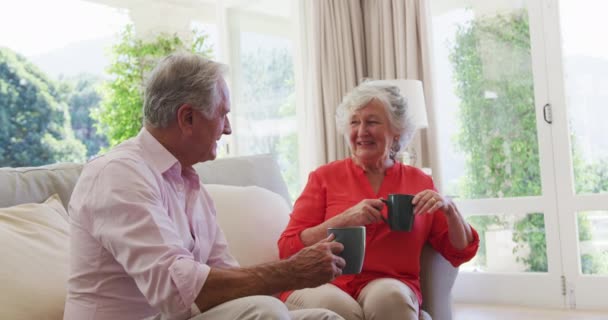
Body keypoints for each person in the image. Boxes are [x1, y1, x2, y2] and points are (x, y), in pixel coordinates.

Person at [64, 52, 346, 320]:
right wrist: (292, 271)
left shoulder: (190, 184)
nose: (228, 129)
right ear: (187, 118)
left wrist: (299, 273)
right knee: (264, 313)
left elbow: (229, 283)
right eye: (223, 114)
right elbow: (174, 289)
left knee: (323, 317)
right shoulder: (119, 174)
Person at [277, 81, 480, 320]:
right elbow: (288, 247)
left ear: (396, 132)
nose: (361, 131)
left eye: (372, 122)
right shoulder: (324, 178)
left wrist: (449, 210)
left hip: (390, 282)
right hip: (325, 282)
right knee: (341, 309)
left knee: (391, 298)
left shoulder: (419, 182)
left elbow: (459, 252)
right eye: (354, 122)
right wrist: (345, 219)